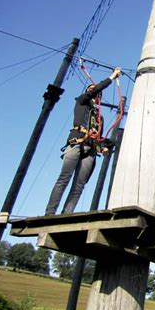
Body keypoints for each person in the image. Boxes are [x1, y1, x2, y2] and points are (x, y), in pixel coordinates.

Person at [45, 67, 122, 215]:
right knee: (64, 178)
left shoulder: (100, 117)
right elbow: (93, 91)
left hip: (90, 149)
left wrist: (105, 147)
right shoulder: (81, 102)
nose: (95, 92)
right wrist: (111, 77)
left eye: (97, 92)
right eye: (92, 90)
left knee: (79, 185)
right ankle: (50, 213)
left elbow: (99, 138)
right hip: (77, 143)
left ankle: (66, 214)